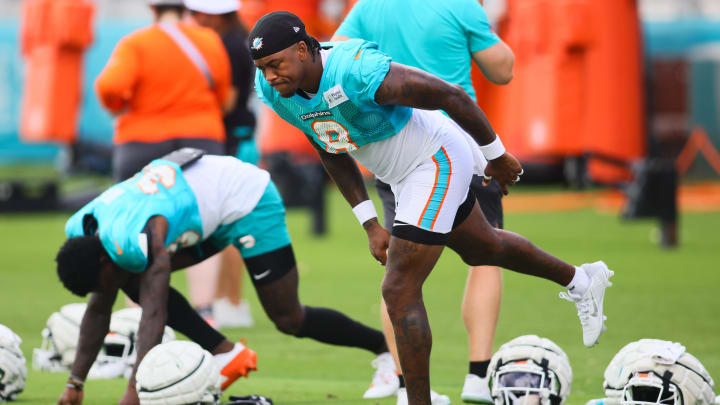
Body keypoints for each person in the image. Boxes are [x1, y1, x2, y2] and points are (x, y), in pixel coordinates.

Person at [249, 12, 614, 405]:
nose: (269, 76)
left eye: (275, 64)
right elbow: (329, 145)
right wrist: (369, 222)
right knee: (484, 247)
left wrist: (497, 155)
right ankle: (582, 280)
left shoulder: (357, 69)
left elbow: (450, 95)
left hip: (435, 156)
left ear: (303, 49)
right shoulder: (274, 91)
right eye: (262, 68)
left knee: (398, 286)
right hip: (398, 175)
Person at [54, 151, 390, 405]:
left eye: (102, 282)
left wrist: (134, 391)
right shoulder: (84, 231)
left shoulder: (139, 234)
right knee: (132, 280)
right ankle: (223, 351)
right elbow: (99, 308)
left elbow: (154, 312)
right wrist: (75, 383)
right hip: (199, 210)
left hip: (247, 198)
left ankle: (385, 347)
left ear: (103, 259)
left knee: (289, 318)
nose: (104, 292)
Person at [331, 0, 514, 402]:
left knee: (399, 272)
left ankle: (403, 385)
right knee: (487, 253)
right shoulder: (461, 5)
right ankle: (478, 377)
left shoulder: (368, 7)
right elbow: (502, 70)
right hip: (459, 143)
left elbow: (334, 55)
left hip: (396, 147)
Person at [95, 0, 231, 181]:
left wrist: (117, 106)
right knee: (205, 205)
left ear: (153, 8)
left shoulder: (135, 43)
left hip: (143, 142)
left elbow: (110, 86)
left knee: (140, 206)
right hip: (201, 138)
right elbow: (222, 95)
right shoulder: (209, 40)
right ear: (185, 9)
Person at [186, 0, 260, 328]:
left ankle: (229, 301)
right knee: (231, 225)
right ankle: (231, 301)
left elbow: (227, 99)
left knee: (227, 225)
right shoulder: (236, 39)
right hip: (240, 139)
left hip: (234, 141)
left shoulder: (229, 45)